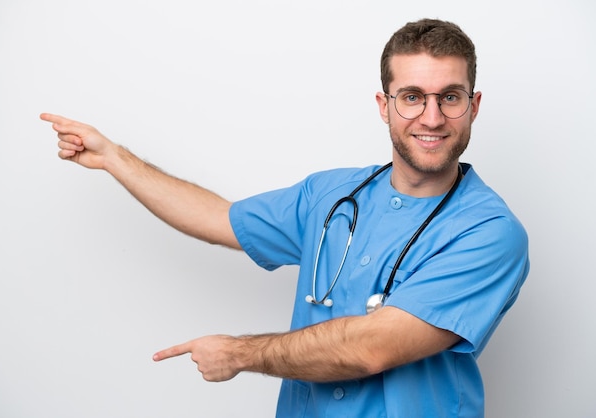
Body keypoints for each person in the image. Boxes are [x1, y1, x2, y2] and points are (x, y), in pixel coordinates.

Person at [41, 18, 529, 418]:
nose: (431, 117)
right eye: (411, 96)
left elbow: (371, 348)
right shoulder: (332, 194)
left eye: (450, 96)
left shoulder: (489, 232)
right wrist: (116, 159)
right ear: (385, 106)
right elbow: (218, 218)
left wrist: (238, 353)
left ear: (473, 105)